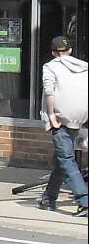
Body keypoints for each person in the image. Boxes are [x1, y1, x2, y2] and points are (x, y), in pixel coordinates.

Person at [38, 35, 88, 217]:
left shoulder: (50, 67)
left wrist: (51, 114)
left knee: (66, 159)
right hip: (79, 117)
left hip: (60, 118)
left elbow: (49, 91)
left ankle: (84, 200)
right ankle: (49, 198)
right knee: (62, 159)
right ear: (71, 50)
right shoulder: (84, 67)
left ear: (52, 52)